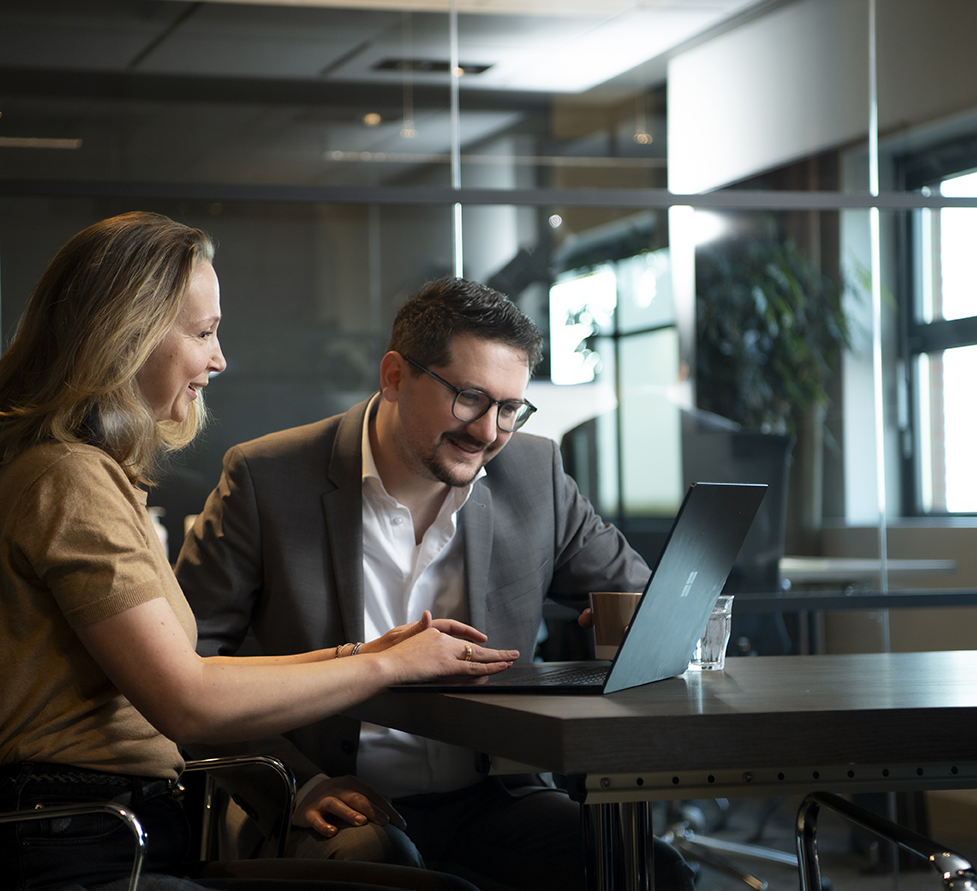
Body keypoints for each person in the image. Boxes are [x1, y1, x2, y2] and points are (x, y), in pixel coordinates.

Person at [0, 212, 517, 891]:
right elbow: (189, 700)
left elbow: (189, 676)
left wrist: (369, 653)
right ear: (126, 334)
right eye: (203, 332)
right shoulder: (67, 478)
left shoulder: (90, 473)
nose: (218, 359)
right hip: (81, 851)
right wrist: (386, 667)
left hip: (110, 833)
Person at [176, 278, 696, 891]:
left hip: (495, 792)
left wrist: (632, 618)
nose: (488, 432)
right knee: (393, 869)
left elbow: (640, 597)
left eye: (509, 408)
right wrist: (297, 783)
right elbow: (187, 666)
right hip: (332, 795)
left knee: (654, 874)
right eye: (471, 398)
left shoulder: (533, 472)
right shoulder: (267, 478)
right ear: (394, 376)